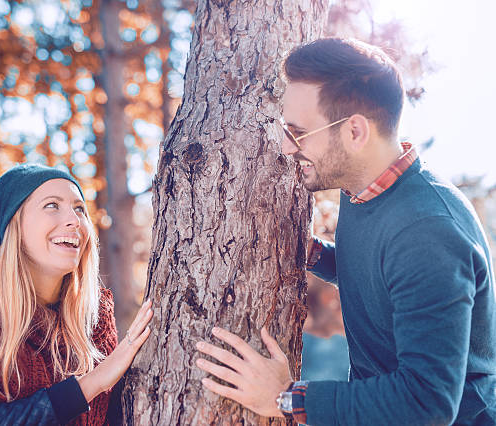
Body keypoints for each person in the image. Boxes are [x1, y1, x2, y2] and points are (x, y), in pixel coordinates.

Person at [195, 38, 496, 425]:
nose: (287, 148)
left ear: (354, 132)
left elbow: (426, 405)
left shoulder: (429, 232)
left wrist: (285, 398)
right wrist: (314, 253)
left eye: (298, 132)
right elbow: (385, 276)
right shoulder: (364, 187)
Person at [0, 164, 153, 425]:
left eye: (79, 208)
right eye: (52, 205)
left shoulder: (94, 318)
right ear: (15, 225)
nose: (74, 219)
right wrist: (94, 381)